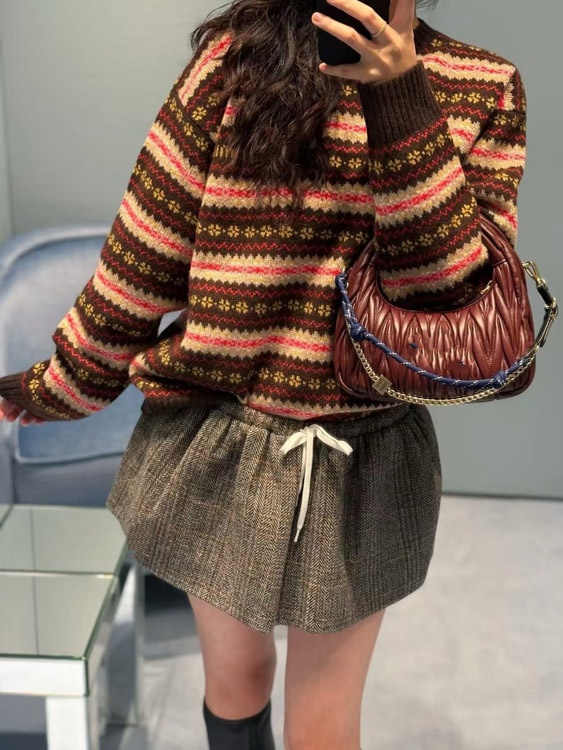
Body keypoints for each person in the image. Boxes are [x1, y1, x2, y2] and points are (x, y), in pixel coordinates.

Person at [0, 0, 527, 747]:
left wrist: (399, 99)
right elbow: (144, 251)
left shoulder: (482, 84)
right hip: (222, 439)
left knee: (323, 722)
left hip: (365, 455)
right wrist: (65, 381)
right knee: (237, 681)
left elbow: (446, 289)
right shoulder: (235, 61)